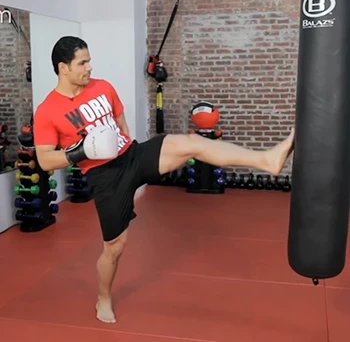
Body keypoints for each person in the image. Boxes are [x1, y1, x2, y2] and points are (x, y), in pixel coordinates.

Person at [33, 36, 295, 324]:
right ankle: (103, 298)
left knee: (190, 143)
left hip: (132, 155)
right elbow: (45, 160)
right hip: (104, 176)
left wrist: (123, 144)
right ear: (63, 67)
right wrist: (82, 151)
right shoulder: (48, 111)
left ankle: (267, 160)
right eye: (82, 62)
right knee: (115, 248)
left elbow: (120, 121)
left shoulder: (103, 87)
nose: (89, 67)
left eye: (89, 60)